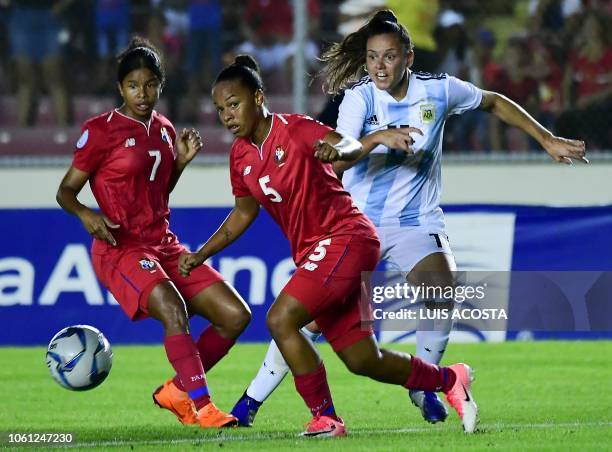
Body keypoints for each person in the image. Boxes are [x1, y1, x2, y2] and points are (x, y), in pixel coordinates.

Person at [228, 9, 588, 429]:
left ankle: (425, 388)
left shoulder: (439, 91)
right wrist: (377, 139)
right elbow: (341, 155)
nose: (380, 66)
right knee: (308, 319)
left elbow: (492, 101)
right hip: (355, 221)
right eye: (373, 57)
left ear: (409, 58)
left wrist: (546, 140)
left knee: (440, 289)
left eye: (390, 56)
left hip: (415, 220)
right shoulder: (359, 97)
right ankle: (251, 400)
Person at [179, 54, 480, 436]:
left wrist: (338, 151)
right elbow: (242, 213)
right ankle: (449, 379)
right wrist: (202, 253)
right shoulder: (239, 156)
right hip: (321, 251)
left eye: (234, 104)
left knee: (280, 318)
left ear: (258, 98)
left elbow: (351, 145)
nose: (227, 115)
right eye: (220, 109)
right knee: (362, 359)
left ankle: (325, 417)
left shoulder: (297, 129)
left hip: (346, 237)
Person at [55, 37, 251, 429]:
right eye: (132, 86)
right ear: (119, 88)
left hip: (162, 243)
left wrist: (178, 163)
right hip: (120, 247)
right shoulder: (100, 131)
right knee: (174, 310)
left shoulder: (163, 128)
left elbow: (155, 193)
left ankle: (178, 390)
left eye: (149, 85)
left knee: (235, 315)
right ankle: (202, 406)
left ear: (160, 84)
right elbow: (65, 191)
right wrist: (85, 214)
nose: (141, 94)